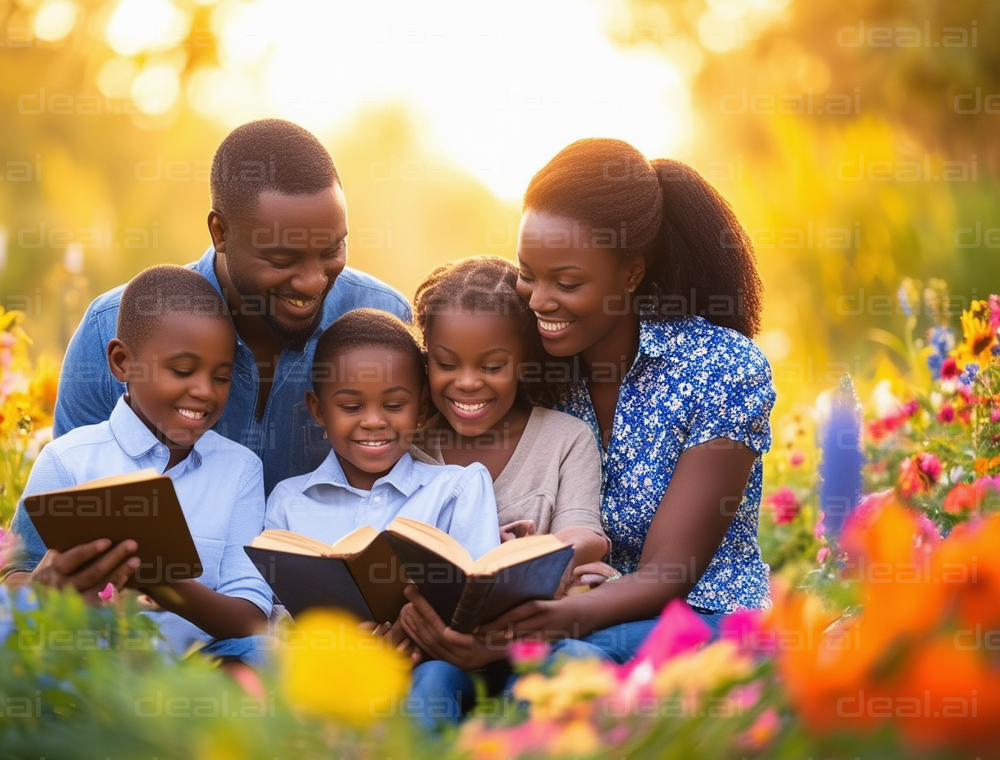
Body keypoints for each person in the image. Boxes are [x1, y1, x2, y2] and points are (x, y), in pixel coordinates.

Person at [403, 138, 774, 704]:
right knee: (441, 678)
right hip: (566, 613)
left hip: (700, 620)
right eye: (528, 274)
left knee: (567, 666)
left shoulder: (717, 368)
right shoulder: (535, 368)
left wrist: (523, 634)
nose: (539, 300)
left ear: (631, 274)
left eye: (567, 283)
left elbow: (665, 577)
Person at [54, 119, 411, 498]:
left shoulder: (387, 322)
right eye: (281, 258)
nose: (314, 282)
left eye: (332, 250)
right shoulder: (110, 328)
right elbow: (54, 522)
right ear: (220, 232)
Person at [3, 266, 272, 664]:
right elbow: (12, 583)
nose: (204, 391)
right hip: (91, 671)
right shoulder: (67, 461)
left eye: (221, 377)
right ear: (121, 362)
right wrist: (45, 586)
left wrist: (164, 583)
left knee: (264, 654)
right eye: (182, 371)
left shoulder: (239, 470)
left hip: (200, 676)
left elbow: (251, 621)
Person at [402, 254, 611, 729]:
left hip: (532, 641)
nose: (468, 382)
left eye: (493, 365)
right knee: (430, 686)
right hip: (438, 651)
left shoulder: (566, 438)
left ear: (524, 362)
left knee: (571, 664)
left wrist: (532, 556)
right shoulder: (410, 448)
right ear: (427, 359)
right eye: (445, 364)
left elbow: (586, 537)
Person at [263, 308, 501, 560]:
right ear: (319, 411)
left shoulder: (455, 491)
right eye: (352, 407)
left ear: (421, 409)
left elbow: (481, 590)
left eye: (394, 406)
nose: (374, 422)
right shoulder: (288, 501)